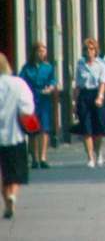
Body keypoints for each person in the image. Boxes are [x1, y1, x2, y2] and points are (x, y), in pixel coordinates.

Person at [0, 52, 35, 219]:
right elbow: (27, 108)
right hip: (15, 135)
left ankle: (6, 200)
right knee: (15, 171)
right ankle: (13, 195)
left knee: (2, 172)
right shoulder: (18, 83)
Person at [73, 38, 105, 168]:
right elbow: (77, 85)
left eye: (91, 49)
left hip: (97, 94)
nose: (89, 51)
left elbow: (103, 82)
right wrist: (75, 102)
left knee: (98, 127)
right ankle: (90, 157)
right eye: (86, 49)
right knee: (86, 128)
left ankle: (98, 151)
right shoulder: (80, 64)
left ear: (96, 50)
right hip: (84, 95)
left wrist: (100, 97)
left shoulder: (101, 64)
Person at [19, 42, 56, 169]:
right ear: (34, 52)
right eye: (39, 51)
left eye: (44, 51)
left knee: (44, 129)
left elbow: (53, 80)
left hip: (44, 100)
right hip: (31, 99)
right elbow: (21, 81)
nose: (42, 53)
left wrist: (50, 88)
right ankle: (34, 157)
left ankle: (43, 157)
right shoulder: (27, 68)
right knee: (32, 130)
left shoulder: (48, 67)